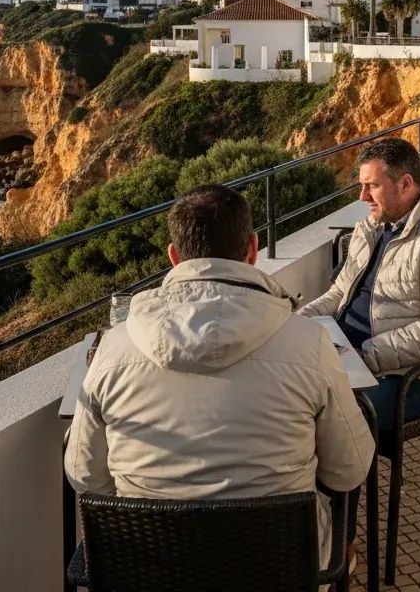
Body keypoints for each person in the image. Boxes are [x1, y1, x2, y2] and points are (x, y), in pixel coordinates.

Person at [64, 185, 375, 568]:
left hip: (150, 569)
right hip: (280, 568)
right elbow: (350, 469)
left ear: (175, 257)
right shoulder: (310, 344)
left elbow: (84, 476)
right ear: (252, 250)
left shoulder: (113, 349)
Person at [299, 137, 420, 434]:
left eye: (372, 186)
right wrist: (294, 323)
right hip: (349, 355)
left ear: (405, 184)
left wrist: (364, 354)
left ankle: (342, 480)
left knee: (331, 426)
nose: (362, 196)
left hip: (410, 376)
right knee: (278, 401)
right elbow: (338, 293)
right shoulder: (370, 227)